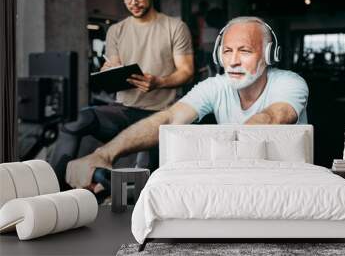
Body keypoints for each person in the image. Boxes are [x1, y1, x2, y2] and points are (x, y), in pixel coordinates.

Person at [65, 16, 309, 189]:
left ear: (269, 55)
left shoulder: (290, 83)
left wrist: (210, 160)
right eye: (227, 51)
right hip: (238, 183)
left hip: (285, 182)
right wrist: (105, 154)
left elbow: (270, 118)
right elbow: (170, 118)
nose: (233, 61)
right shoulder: (216, 86)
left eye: (244, 51)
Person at [50, 0, 194, 190]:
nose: (132, 3)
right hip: (124, 111)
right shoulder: (116, 31)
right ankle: (54, 188)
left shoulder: (175, 27)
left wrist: (159, 82)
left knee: (146, 178)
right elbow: (115, 65)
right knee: (76, 120)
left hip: (160, 115)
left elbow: (186, 71)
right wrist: (109, 70)